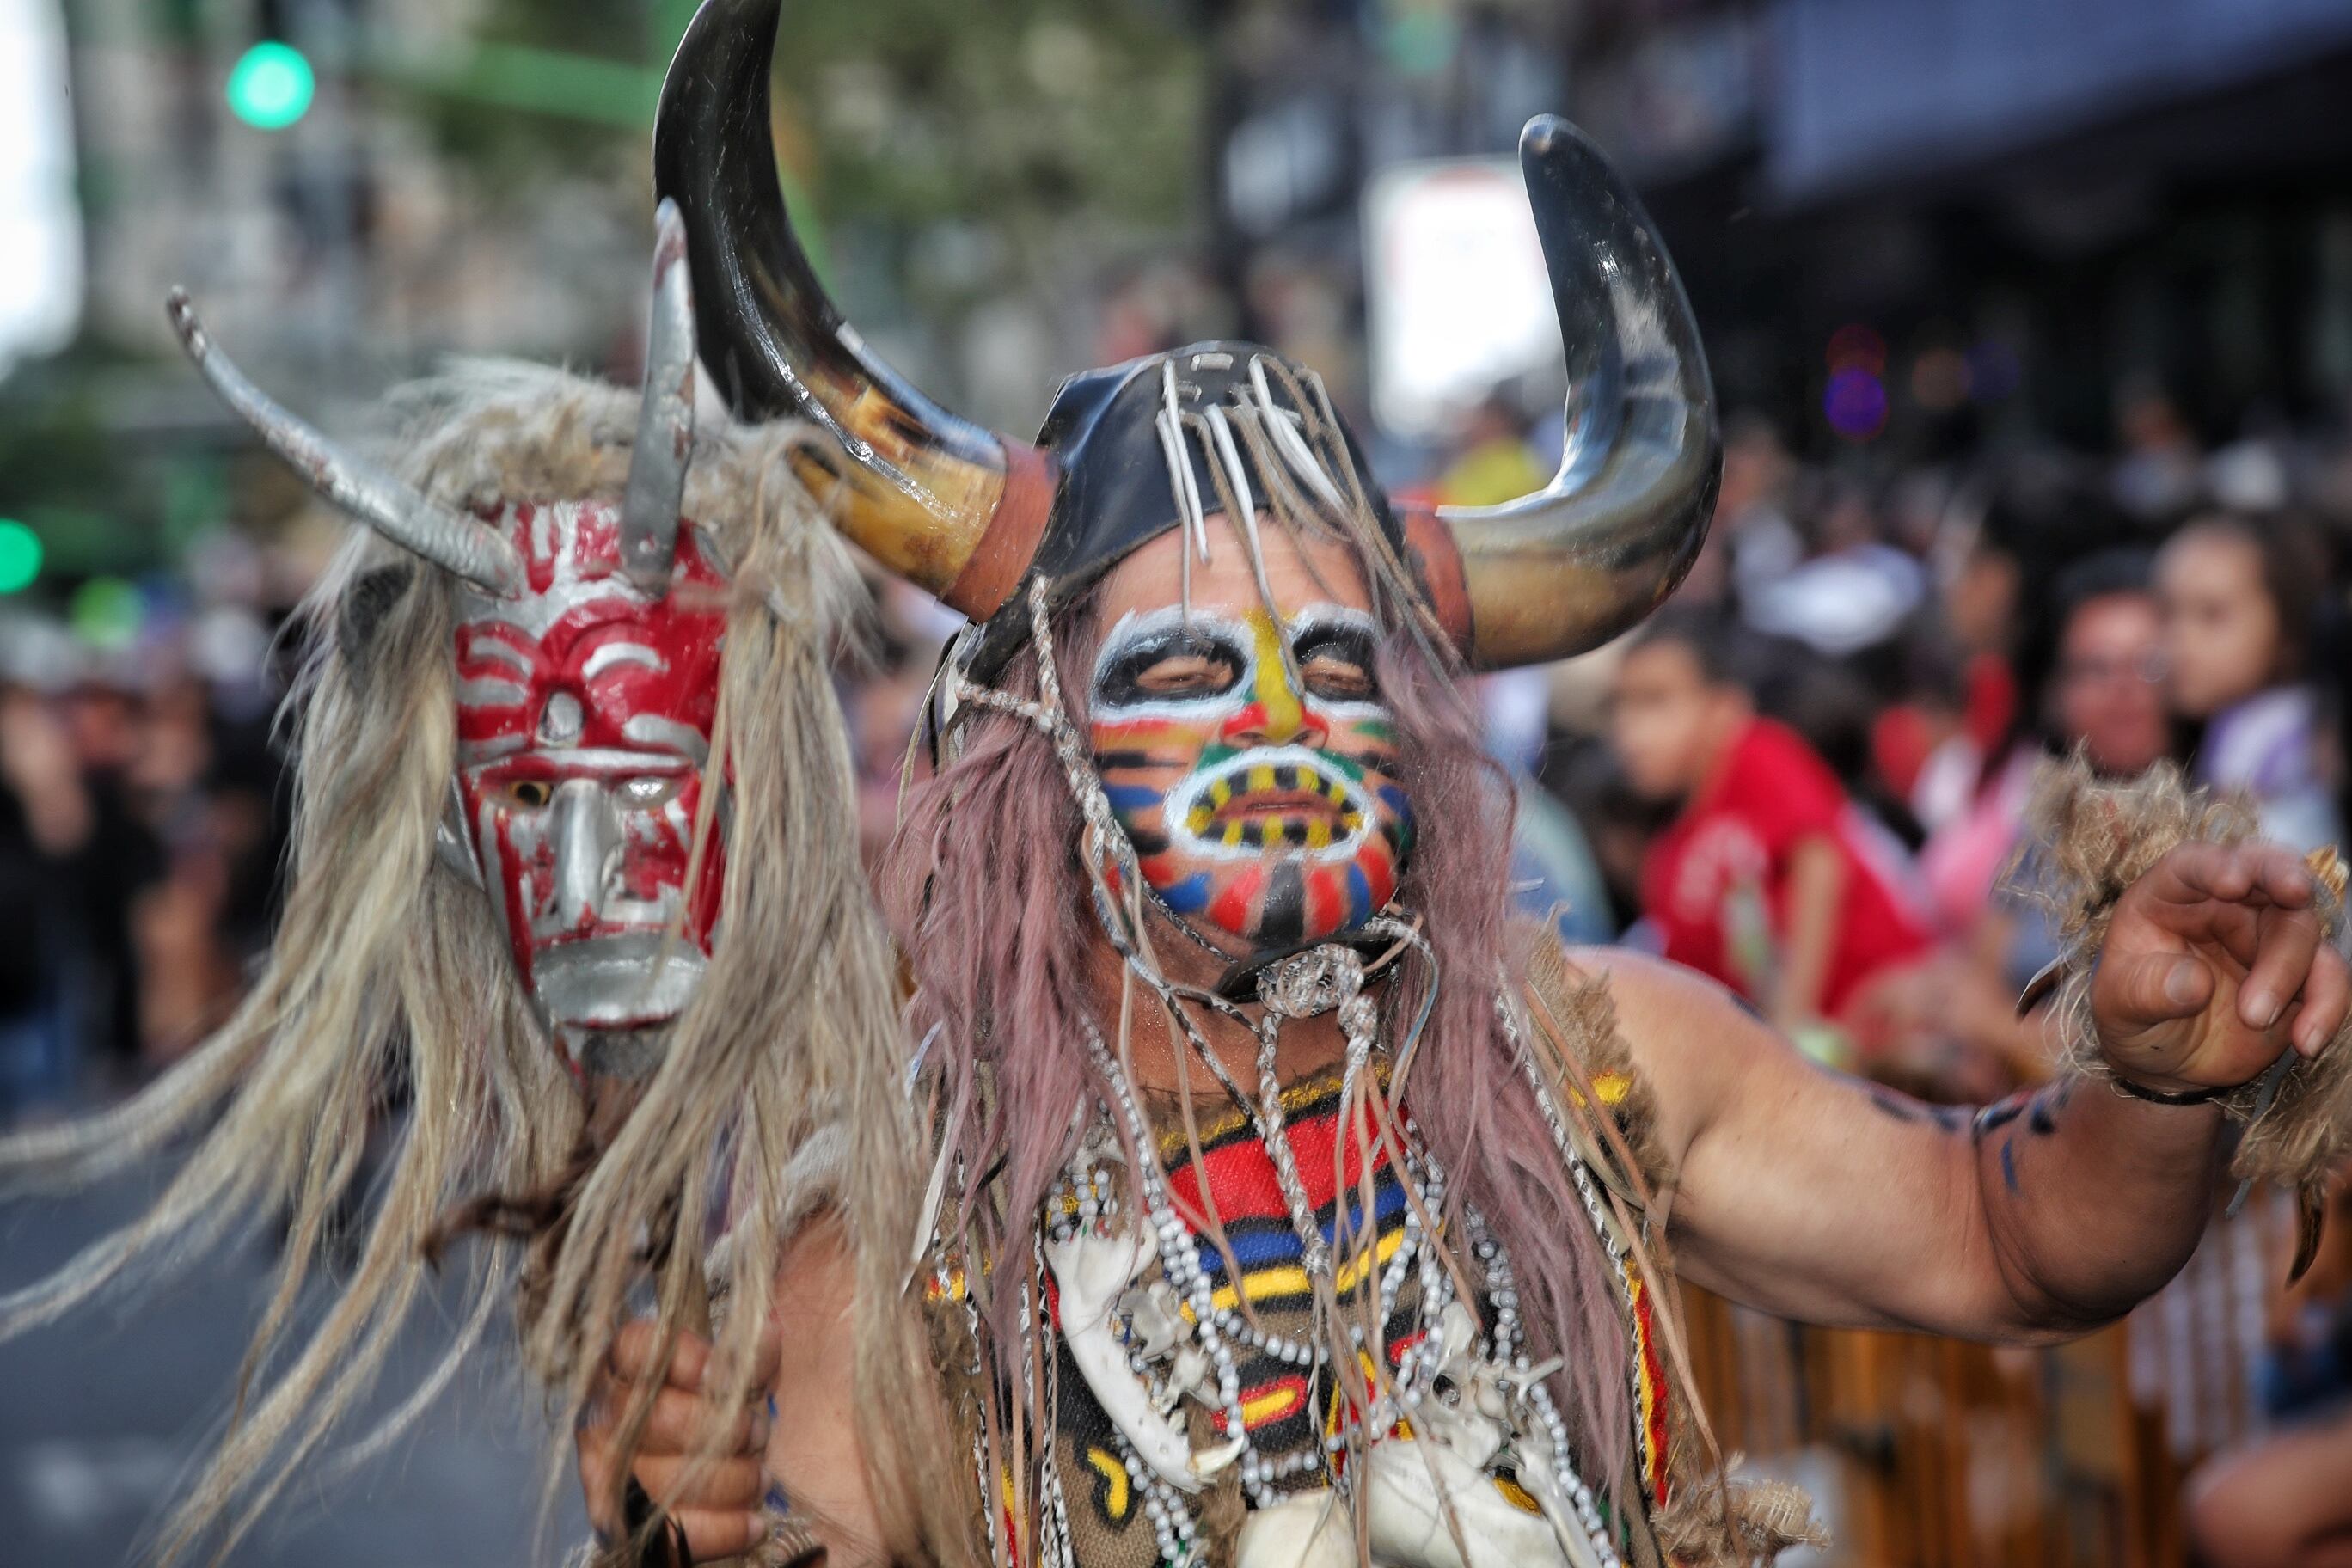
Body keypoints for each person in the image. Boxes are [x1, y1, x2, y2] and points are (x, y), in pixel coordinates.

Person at [575, 9, 2352, 1565]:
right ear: (1035, 741)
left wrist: (2151, 1078)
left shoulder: (1578, 1061)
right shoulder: (889, 1249)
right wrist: (676, 1529)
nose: (1280, 731)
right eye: (1185, 674)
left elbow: (2010, 1239)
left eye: (1340, 667)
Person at [0, 210, 924, 1567]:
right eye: (539, 800)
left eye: (652, 781)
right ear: (452, 833)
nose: (598, 881)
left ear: (756, 774)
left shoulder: (938, 1154)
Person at [1609, 608, 1931, 1036]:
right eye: (1621, 707)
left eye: (1656, 701)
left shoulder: (1757, 754)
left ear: (1726, 707)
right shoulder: (1665, 868)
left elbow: (1821, 866)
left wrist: (1790, 1028)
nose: (1631, 731)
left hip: (1894, 1008)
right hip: (1814, 1055)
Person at [2158, 512, 2342, 853]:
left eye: (2212, 614)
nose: (2180, 640)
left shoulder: (2273, 732)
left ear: (2286, 623)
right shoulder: (2235, 723)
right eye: (2167, 613)